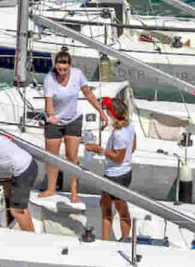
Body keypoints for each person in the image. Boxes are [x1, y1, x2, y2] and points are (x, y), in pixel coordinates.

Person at [37, 51, 108, 204]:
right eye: (59, 69)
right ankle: (51, 188)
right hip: (54, 120)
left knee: (72, 157)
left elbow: (88, 94)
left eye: (65, 69)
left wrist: (101, 111)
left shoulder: (77, 74)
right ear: (55, 67)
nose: (62, 73)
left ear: (70, 67)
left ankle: (74, 193)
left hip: (73, 119)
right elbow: (48, 103)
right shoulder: (49, 79)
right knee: (52, 156)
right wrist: (51, 116)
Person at [84, 98, 136, 241]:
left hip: (114, 177)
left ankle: (105, 242)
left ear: (111, 113)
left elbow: (118, 157)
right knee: (122, 208)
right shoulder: (130, 127)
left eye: (107, 109)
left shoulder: (119, 133)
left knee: (106, 210)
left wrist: (99, 149)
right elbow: (133, 147)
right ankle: (125, 239)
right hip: (126, 173)